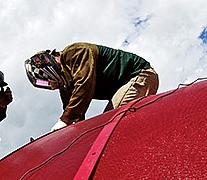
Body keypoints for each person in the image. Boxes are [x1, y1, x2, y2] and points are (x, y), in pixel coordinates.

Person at [25, 42, 158, 131]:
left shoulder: (75, 52)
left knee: (111, 121)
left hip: (139, 75)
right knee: (109, 124)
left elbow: (84, 85)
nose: (51, 85)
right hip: (126, 84)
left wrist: (65, 120)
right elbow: (73, 112)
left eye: (47, 80)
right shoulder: (67, 84)